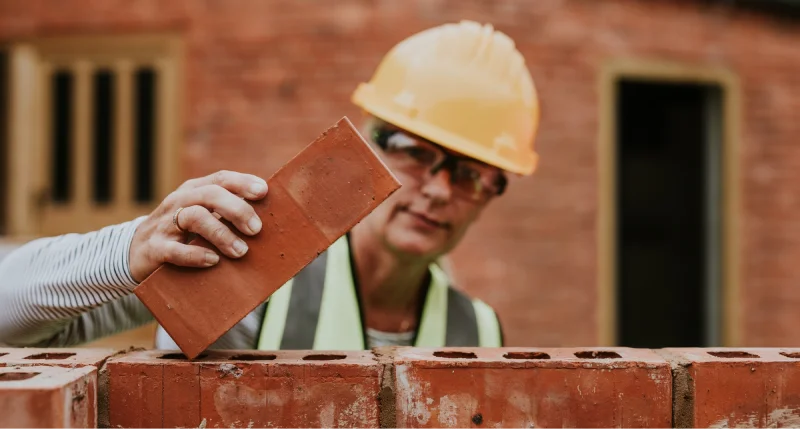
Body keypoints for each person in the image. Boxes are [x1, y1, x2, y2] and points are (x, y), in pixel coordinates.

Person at [0, 20, 539, 351]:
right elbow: (9, 318)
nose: (440, 191)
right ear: (369, 144)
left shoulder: (479, 333)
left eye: (471, 174)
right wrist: (130, 250)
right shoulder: (258, 263)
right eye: (416, 153)